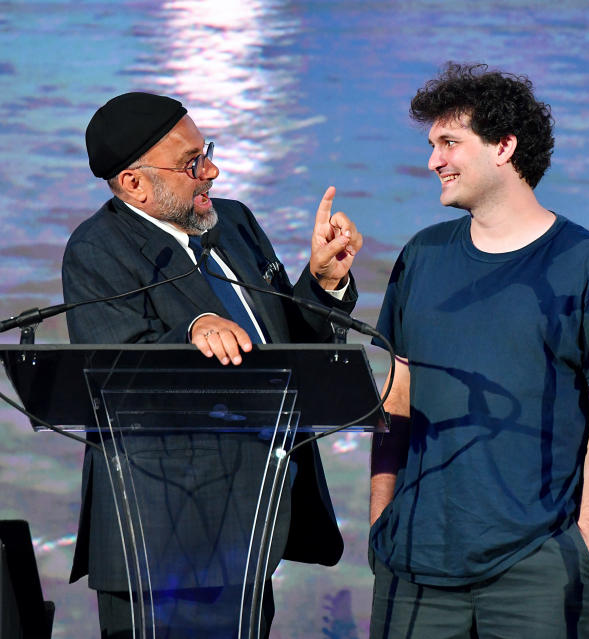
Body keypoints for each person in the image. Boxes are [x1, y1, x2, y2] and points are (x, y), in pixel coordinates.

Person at [62, 91, 363, 638]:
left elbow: (279, 355)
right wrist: (191, 331)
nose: (212, 171)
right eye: (192, 163)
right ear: (134, 183)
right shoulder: (97, 249)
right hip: (164, 538)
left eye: (208, 152)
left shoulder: (235, 223)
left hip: (250, 527)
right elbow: (117, 380)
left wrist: (320, 284)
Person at [368, 63, 589, 638]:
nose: (433, 161)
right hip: (413, 562)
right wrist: (380, 521)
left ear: (504, 147)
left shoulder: (586, 262)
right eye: (432, 144)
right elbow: (396, 396)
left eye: (449, 143)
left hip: (534, 567)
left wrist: (582, 549)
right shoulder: (422, 255)